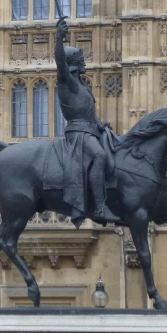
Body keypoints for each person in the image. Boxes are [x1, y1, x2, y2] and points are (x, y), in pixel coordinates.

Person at [55, 18, 115, 225]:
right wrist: (59, 37)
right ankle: (99, 207)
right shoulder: (68, 83)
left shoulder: (83, 87)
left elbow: (89, 113)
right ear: (74, 64)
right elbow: (60, 63)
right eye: (81, 59)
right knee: (99, 155)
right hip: (78, 133)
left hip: (91, 130)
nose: (84, 62)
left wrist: (101, 125)